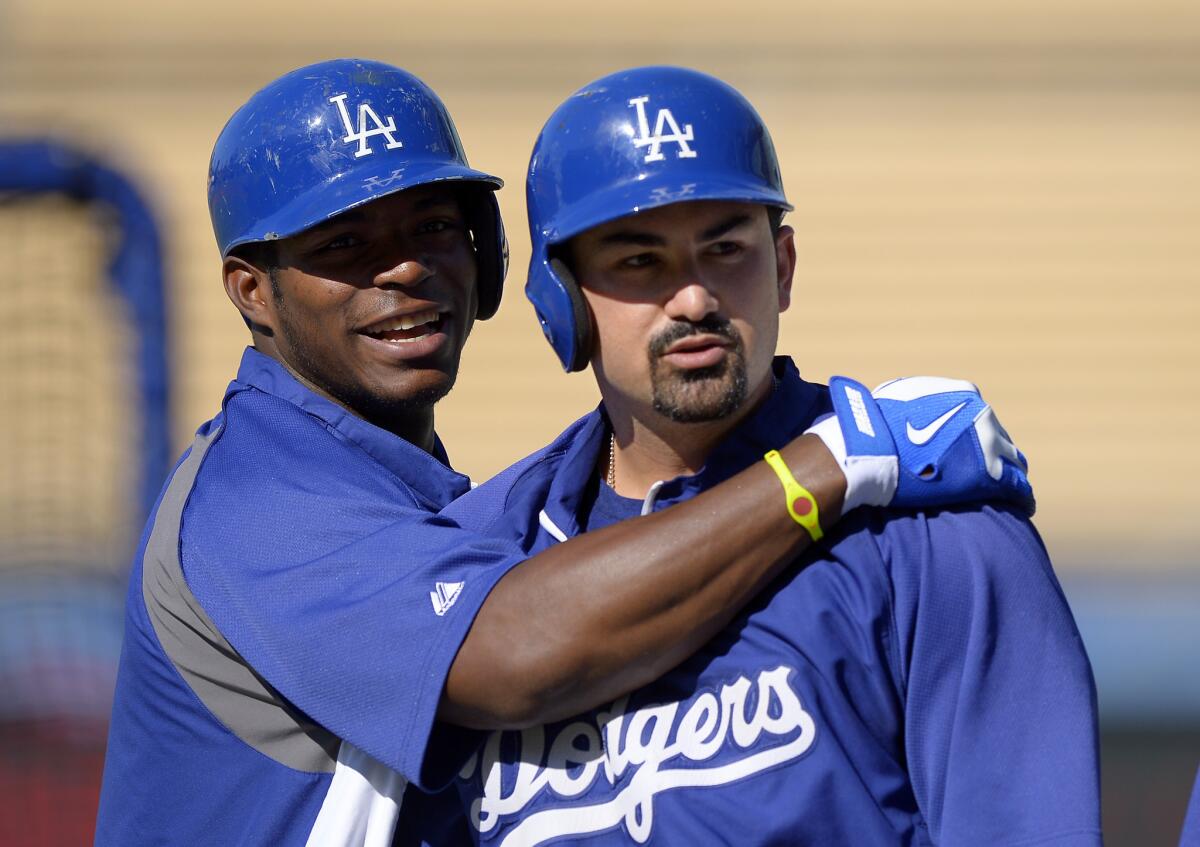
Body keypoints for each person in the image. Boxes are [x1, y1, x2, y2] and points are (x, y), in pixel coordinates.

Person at [94, 59, 1034, 846]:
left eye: (431, 227)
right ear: (252, 290)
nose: (406, 268)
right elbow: (517, 651)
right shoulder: (260, 498)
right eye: (345, 244)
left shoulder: (459, 512)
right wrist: (827, 468)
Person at [405, 66, 1099, 846]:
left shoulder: (935, 529)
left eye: (726, 249)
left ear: (785, 266)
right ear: (559, 303)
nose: (695, 298)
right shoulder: (478, 556)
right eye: (640, 261)